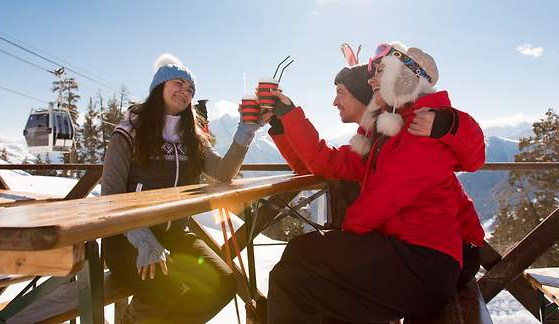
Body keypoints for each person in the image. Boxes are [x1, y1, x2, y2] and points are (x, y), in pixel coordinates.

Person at [265, 42, 485, 323]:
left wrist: (341, 239)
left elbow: (382, 199)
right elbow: (326, 163)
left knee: (297, 275)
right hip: (417, 257)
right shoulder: (391, 132)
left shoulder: (422, 127)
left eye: (380, 71)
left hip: (426, 263)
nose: (371, 80)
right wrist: (287, 118)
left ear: (405, 78)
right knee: (301, 264)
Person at [101, 53, 265, 323]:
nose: (185, 91)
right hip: (125, 238)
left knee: (223, 284)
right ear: (159, 87)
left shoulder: (191, 136)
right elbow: (111, 197)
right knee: (163, 291)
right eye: (178, 83)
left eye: (190, 89)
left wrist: (245, 131)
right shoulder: (129, 131)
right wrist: (143, 240)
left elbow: (223, 173)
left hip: (176, 236)